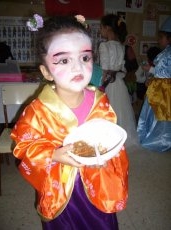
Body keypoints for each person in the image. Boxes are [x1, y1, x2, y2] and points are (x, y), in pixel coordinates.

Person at [10, 15, 129, 230]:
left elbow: (110, 135)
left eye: (85, 58)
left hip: (97, 181)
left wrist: (108, 155)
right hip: (61, 187)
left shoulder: (100, 101)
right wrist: (53, 154)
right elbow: (23, 146)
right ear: (46, 71)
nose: (78, 68)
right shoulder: (37, 111)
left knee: (101, 223)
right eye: (64, 60)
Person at [99, 13, 138, 147]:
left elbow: (104, 69)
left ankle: (108, 141)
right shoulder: (121, 46)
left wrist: (100, 85)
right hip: (119, 84)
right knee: (121, 112)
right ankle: (122, 139)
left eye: (102, 27)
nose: (100, 30)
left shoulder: (104, 46)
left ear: (108, 28)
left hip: (108, 83)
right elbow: (122, 68)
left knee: (108, 111)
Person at [137, 16, 171, 152]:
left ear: (169, 39)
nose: (159, 40)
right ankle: (155, 136)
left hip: (163, 91)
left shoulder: (168, 54)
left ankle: (160, 140)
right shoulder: (165, 52)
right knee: (155, 114)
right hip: (159, 88)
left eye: (161, 37)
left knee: (160, 114)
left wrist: (149, 69)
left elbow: (164, 72)